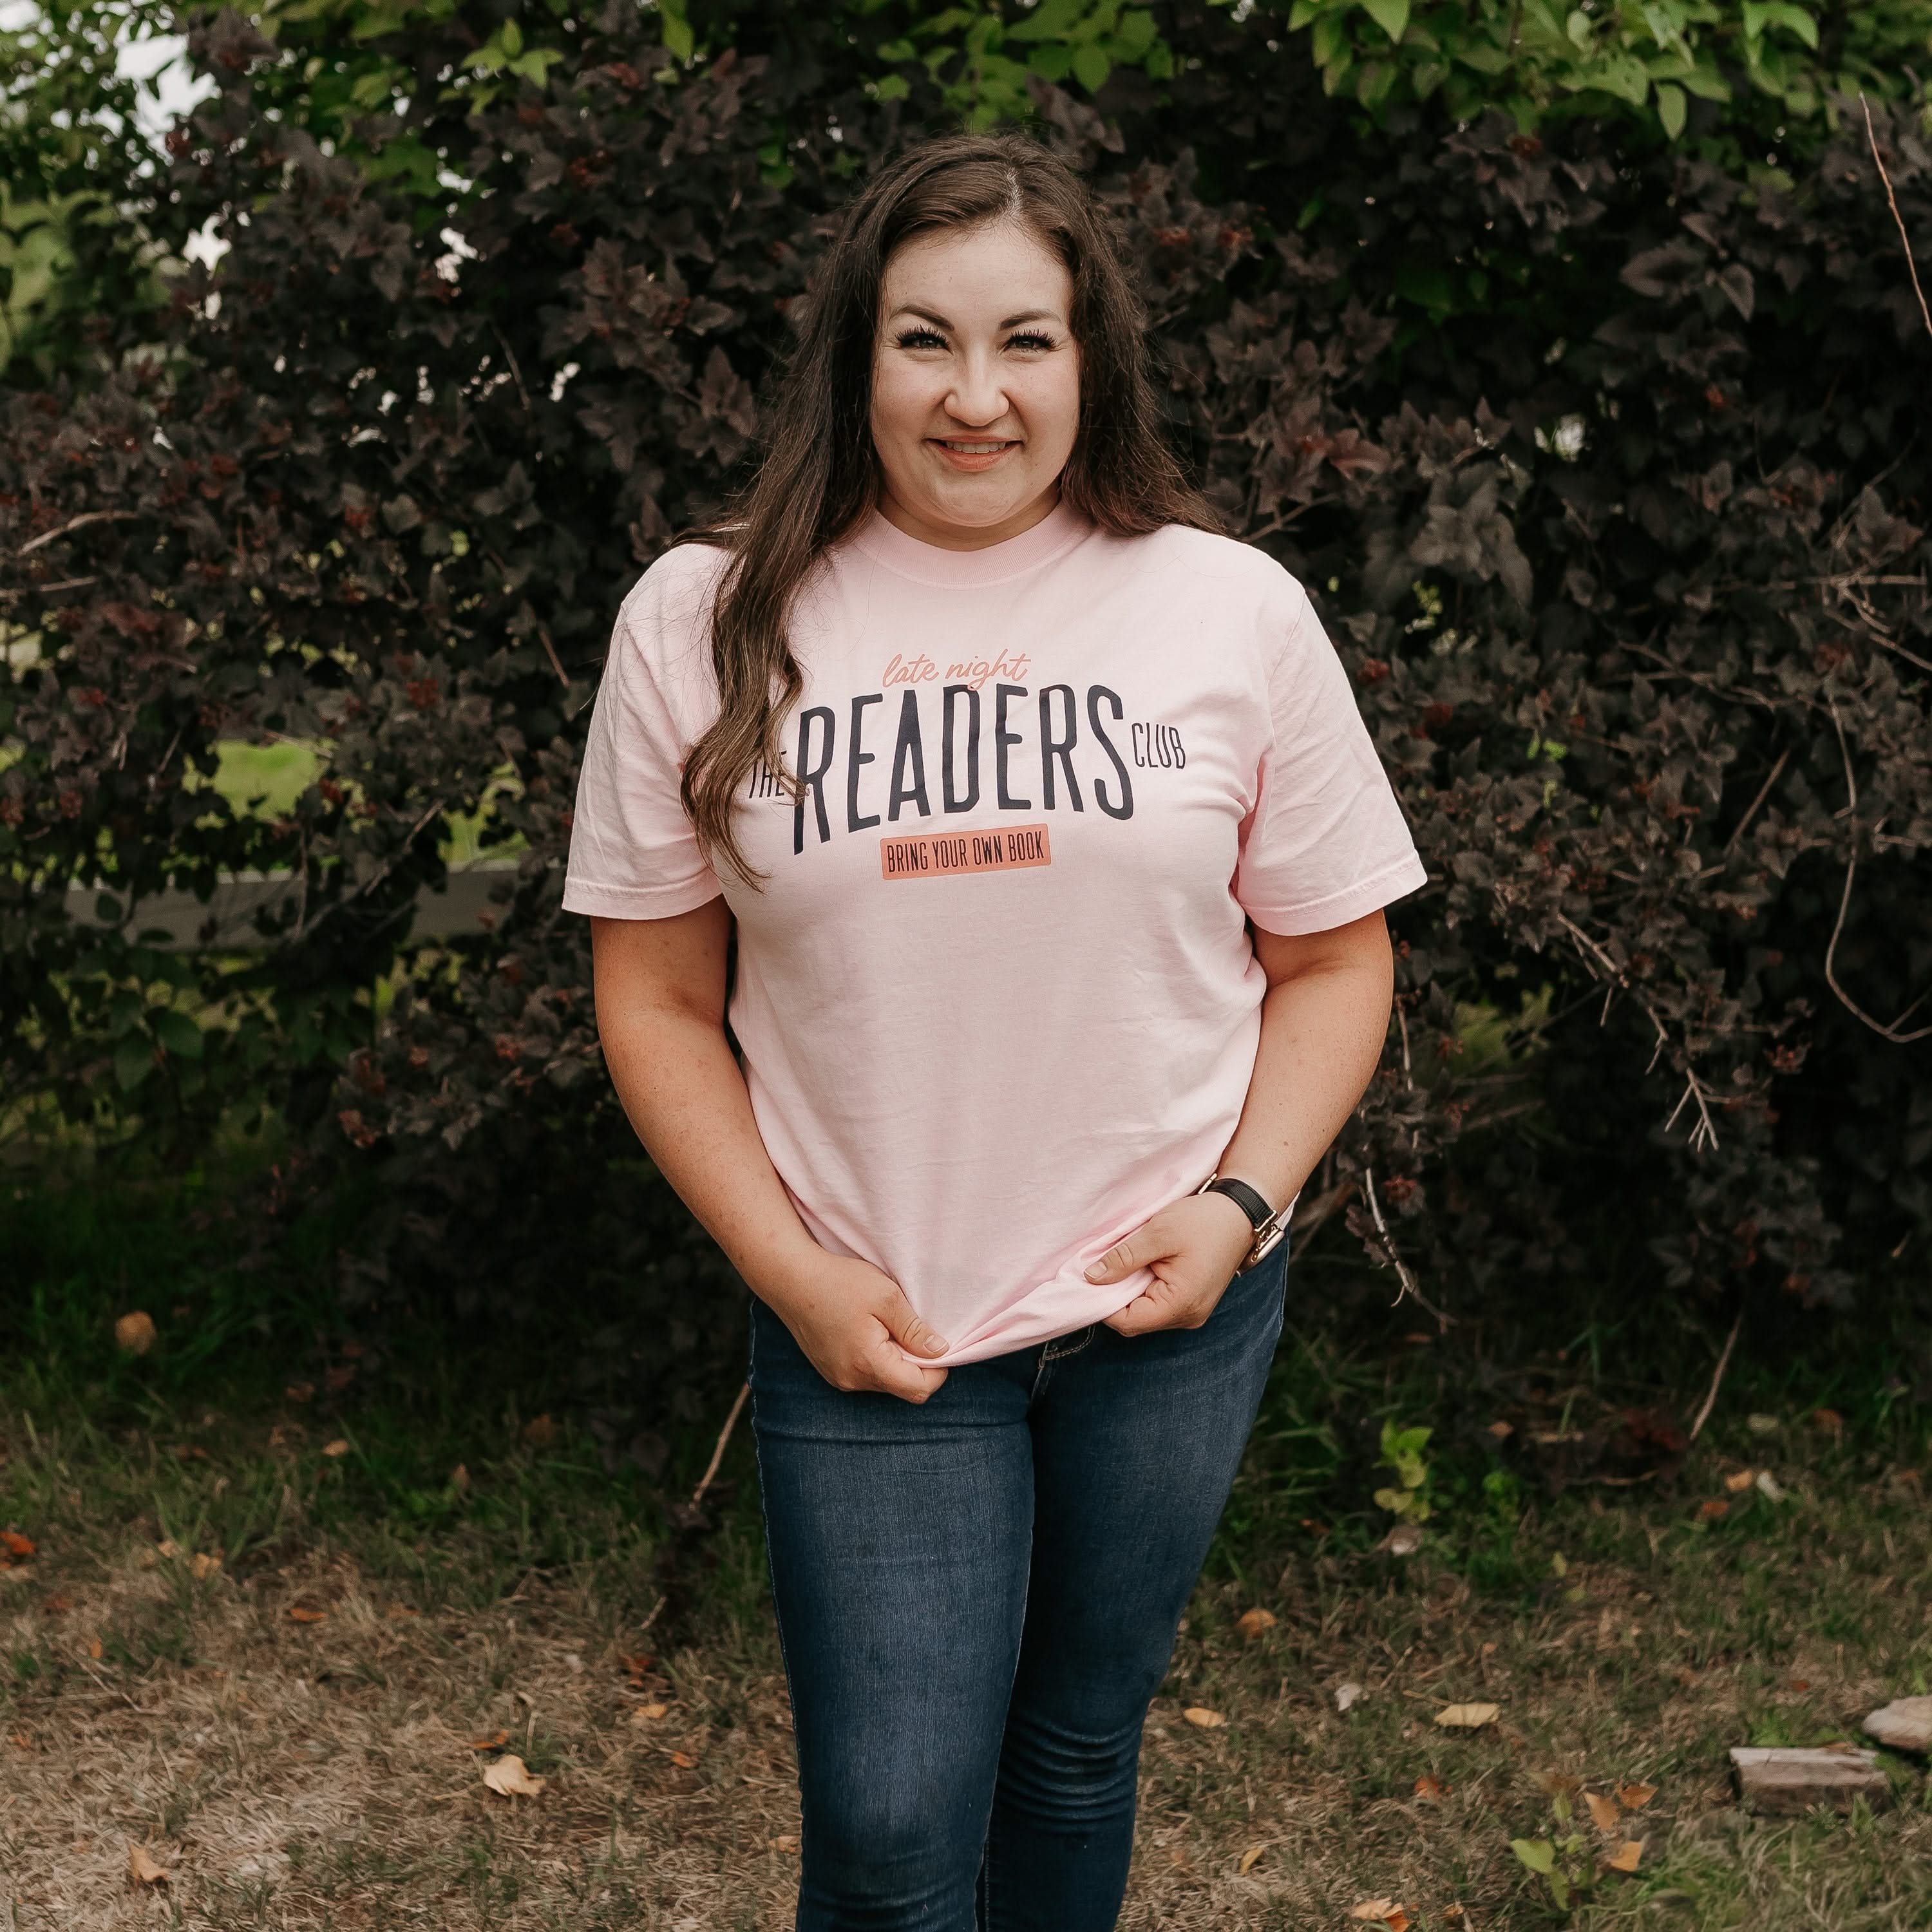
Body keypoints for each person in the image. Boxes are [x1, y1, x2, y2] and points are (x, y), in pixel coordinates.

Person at [560, 126, 1427, 1932]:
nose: (977, 397)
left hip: (1167, 1306)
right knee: (888, 1837)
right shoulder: (703, 622)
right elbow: (652, 998)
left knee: (1076, 1753)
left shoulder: (1229, 608)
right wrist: (794, 1279)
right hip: (875, 1312)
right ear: (854, 358)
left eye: (1024, 341)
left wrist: (1243, 1211)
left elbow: (1338, 962)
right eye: (925, 339)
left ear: (1089, 359)